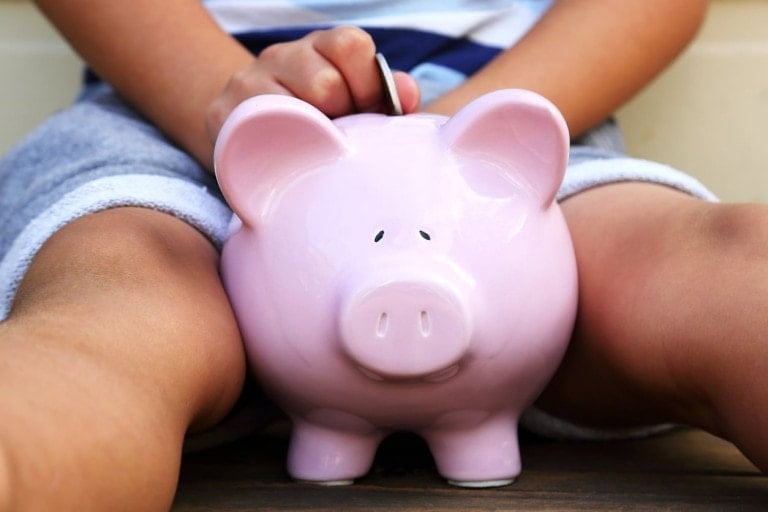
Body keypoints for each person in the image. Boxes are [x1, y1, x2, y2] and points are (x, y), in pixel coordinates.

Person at [2, 0, 764, 509]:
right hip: (171, 121)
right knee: (108, 318)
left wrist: (442, 157)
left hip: (509, 128)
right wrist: (228, 107)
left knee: (723, 268)